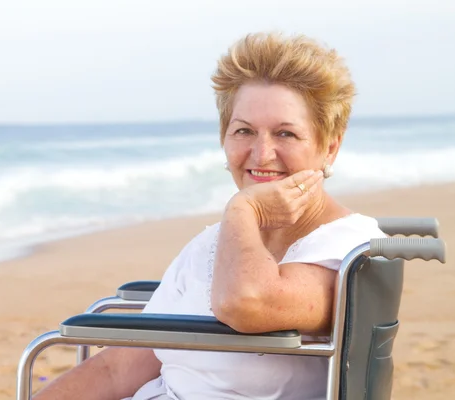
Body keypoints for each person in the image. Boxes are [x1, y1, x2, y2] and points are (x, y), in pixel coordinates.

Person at [34, 31, 386, 400]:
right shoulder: (213, 243)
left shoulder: (349, 248)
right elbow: (117, 368)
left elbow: (246, 304)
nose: (262, 154)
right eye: (243, 131)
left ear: (330, 147)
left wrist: (243, 208)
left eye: (285, 133)